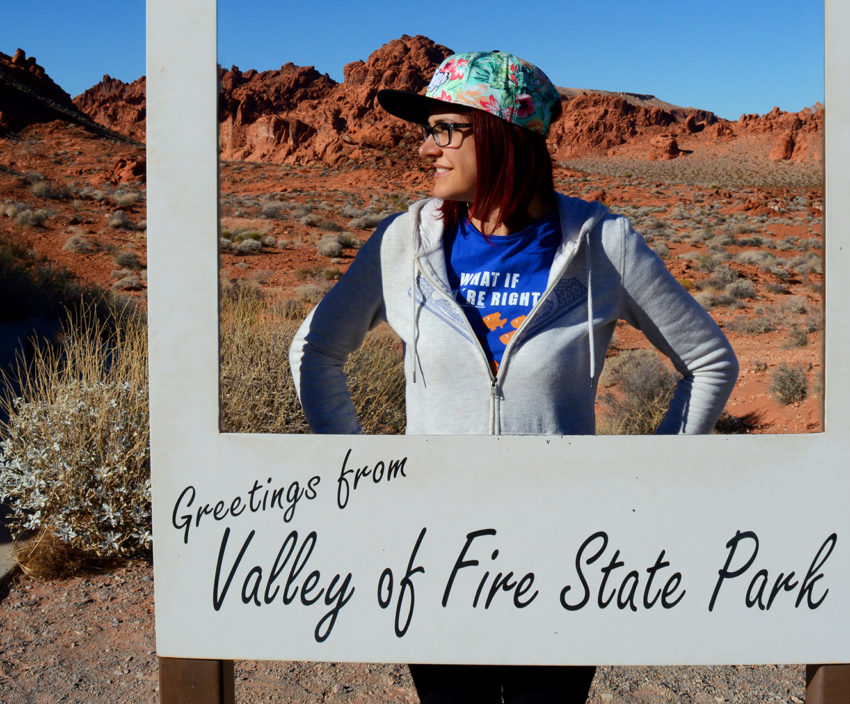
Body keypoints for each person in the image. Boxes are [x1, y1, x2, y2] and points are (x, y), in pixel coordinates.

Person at [290, 50, 739, 703]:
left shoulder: (602, 243)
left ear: (501, 136)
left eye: (445, 129)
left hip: (564, 556)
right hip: (432, 555)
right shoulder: (401, 242)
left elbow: (708, 361)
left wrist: (649, 486)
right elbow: (315, 350)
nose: (426, 148)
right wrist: (358, 475)